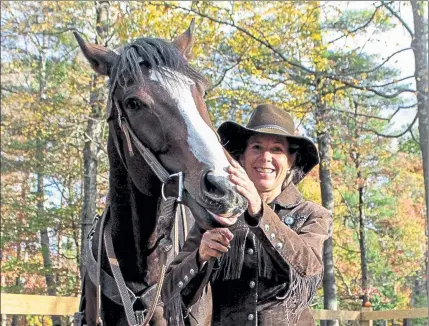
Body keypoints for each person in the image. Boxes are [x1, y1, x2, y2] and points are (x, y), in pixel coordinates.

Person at [162, 104, 332, 326]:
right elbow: (168, 293)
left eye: (277, 149)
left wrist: (259, 210)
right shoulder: (217, 215)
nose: (266, 157)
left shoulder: (312, 215)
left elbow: (308, 271)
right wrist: (200, 257)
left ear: (291, 161)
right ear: (241, 157)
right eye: (257, 147)